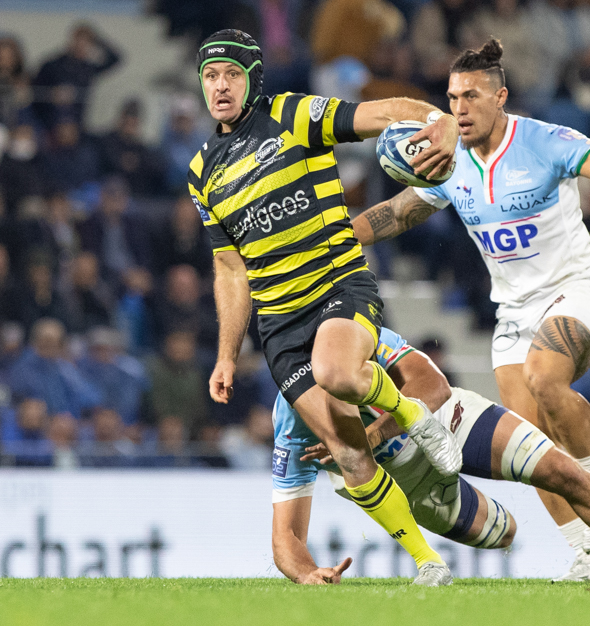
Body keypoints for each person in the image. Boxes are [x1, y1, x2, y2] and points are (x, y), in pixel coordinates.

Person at [352, 39, 590, 581]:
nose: (459, 109)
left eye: (471, 96)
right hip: (514, 311)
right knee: (531, 445)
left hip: (575, 289)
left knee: (544, 376)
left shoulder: (544, 141)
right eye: (452, 98)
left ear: (500, 98)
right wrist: (328, 241)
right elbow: (398, 213)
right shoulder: (449, 160)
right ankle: (589, 553)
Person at [189, 29, 465, 586]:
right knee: (347, 450)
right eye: (210, 77)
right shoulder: (202, 171)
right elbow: (231, 270)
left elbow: (381, 112)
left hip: (336, 285)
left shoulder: (293, 115)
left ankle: (412, 417)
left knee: (337, 372)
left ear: (253, 80)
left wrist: (442, 122)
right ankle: (428, 562)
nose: (220, 86)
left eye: (232, 75)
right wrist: (226, 354)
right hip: (279, 325)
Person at [274, 326, 590, 586]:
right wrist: (308, 574)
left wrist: (374, 435)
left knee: (560, 469)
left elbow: (433, 387)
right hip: (411, 488)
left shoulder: (358, 331)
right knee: (502, 533)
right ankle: (447, 500)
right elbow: (285, 538)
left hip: (447, 422)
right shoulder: (293, 410)